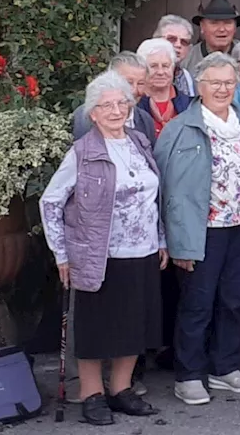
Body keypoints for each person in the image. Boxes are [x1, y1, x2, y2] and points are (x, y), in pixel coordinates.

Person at [41, 71, 167, 425]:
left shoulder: (140, 142)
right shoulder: (83, 152)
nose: (115, 110)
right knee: (97, 330)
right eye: (106, 105)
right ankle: (91, 394)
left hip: (142, 251)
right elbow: (51, 201)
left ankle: (121, 390)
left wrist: (160, 240)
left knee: (133, 325)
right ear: (92, 113)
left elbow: (153, 197)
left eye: (121, 103)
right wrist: (61, 253)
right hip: (100, 255)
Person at [156, 53, 240, 407]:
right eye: (215, 83)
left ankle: (225, 366)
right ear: (199, 87)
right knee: (197, 303)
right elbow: (163, 186)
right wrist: (172, 238)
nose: (222, 89)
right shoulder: (181, 127)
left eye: (228, 82)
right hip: (202, 230)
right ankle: (189, 374)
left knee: (234, 300)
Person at [73, 52, 154, 145]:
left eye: (141, 83)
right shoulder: (85, 117)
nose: (134, 91)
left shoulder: (145, 120)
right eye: (128, 82)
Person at [137, 38, 193, 140]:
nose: (160, 72)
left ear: (173, 68)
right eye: (153, 66)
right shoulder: (134, 104)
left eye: (165, 66)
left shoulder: (189, 105)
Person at [180, 0, 240, 75]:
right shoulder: (188, 59)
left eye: (228, 23)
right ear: (202, 27)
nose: (221, 29)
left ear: (235, 28)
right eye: (214, 23)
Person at [154, 15, 197, 96]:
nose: (178, 45)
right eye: (171, 39)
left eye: (184, 41)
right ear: (156, 40)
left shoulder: (187, 77)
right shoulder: (143, 72)